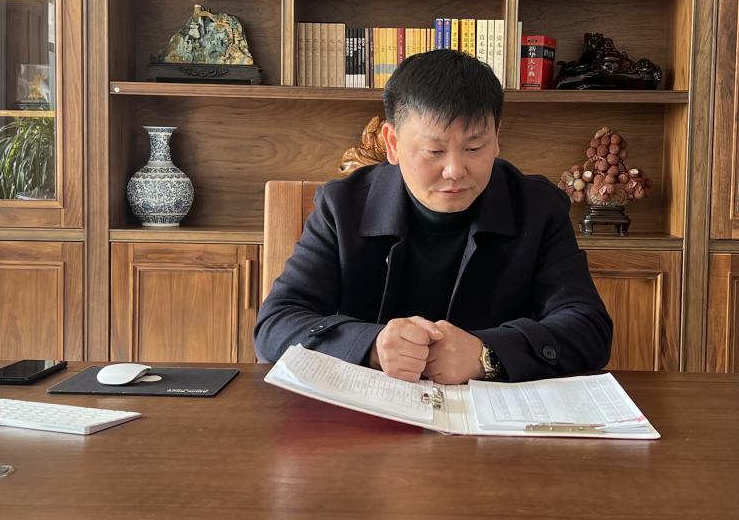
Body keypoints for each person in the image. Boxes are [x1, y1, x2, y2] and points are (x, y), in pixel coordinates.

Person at [253, 49, 613, 384]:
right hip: (372, 417)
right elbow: (275, 325)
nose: (455, 170)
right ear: (393, 143)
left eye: (474, 147)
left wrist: (486, 353)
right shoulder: (343, 207)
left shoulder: (538, 207)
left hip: (493, 424)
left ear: (496, 138)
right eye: (433, 151)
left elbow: (589, 329)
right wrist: (372, 346)